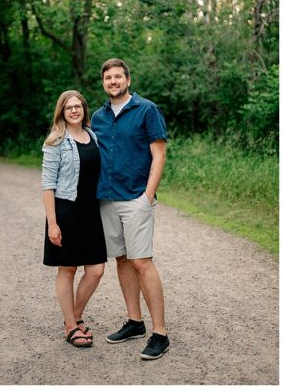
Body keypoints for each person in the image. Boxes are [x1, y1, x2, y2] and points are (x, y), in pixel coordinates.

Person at [90, 58, 170, 360]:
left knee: (142, 262)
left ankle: (160, 333)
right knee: (122, 260)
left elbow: (159, 154)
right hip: (107, 199)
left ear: (128, 80)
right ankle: (135, 323)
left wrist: (147, 196)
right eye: (108, 77)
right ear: (103, 82)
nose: (113, 81)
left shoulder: (147, 110)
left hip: (136, 197)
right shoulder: (97, 117)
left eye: (118, 77)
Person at [42, 90, 107, 349]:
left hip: (91, 211)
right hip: (66, 211)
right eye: (69, 107)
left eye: (78, 106)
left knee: (96, 269)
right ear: (62, 112)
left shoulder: (93, 136)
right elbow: (47, 185)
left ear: (84, 109)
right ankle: (71, 326)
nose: (74, 110)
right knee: (67, 269)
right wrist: (53, 223)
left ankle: (75, 316)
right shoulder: (55, 141)